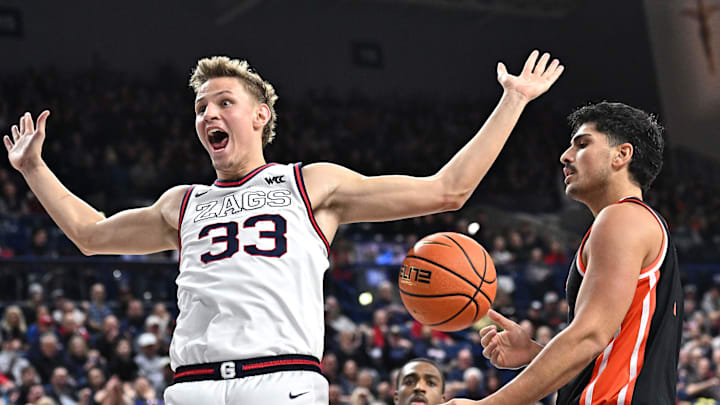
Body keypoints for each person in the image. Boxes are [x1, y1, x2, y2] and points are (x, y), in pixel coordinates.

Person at [4, 50, 563, 404]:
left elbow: (448, 189)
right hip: (192, 385)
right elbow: (91, 234)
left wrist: (512, 101)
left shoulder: (311, 184)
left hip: (280, 381)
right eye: (200, 107)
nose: (208, 115)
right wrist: (33, 168)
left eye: (224, 101)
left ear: (260, 115)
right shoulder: (183, 202)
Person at [444, 102, 683, 404]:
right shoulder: (632, 224)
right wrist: (535, 354)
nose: (565, 156)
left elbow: (589, 335)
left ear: (621, 155)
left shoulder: (622, 219)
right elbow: (607, 351)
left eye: (582, 144)